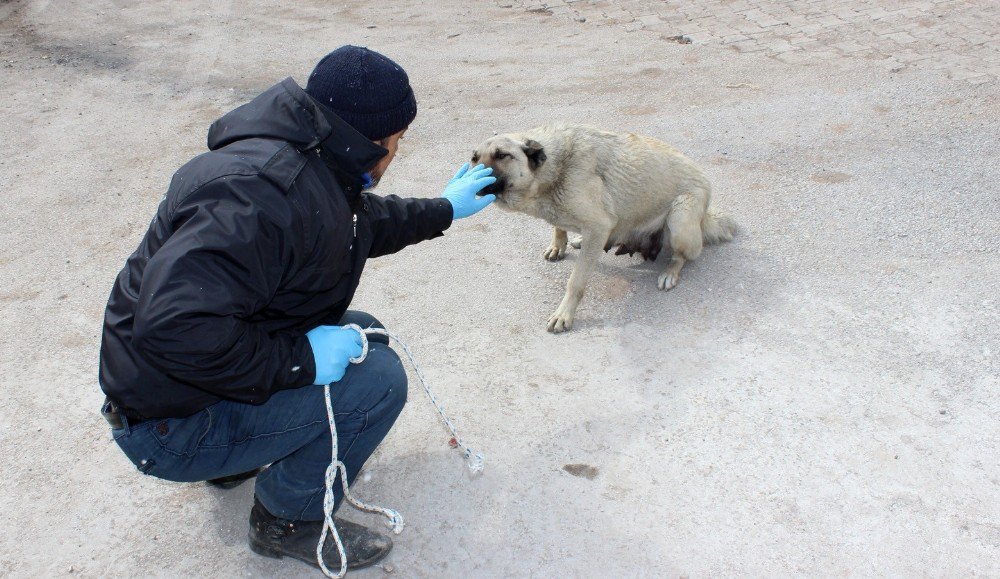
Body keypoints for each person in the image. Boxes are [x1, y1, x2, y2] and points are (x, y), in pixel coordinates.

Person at [98, 45, 496, 572]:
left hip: (185, 391)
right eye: (399, 138)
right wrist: (298, 362)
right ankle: (287, 519)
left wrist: (444, 208)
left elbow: (354, 225)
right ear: (374, 140)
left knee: (363, 336)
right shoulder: (258, 196)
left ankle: (235, 458)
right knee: (376, 381)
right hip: (167, 428)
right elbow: (172, 327)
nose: (399, 149)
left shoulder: (304, 156)